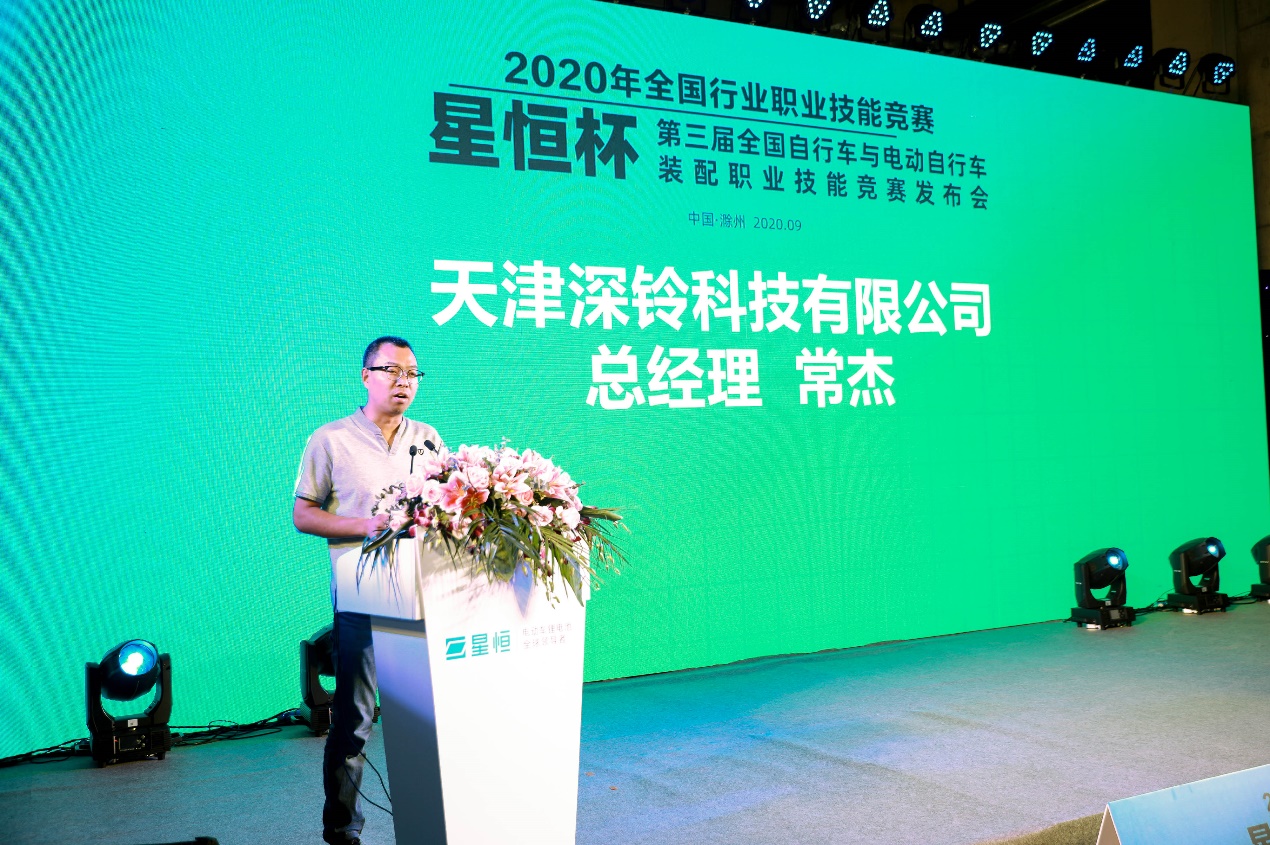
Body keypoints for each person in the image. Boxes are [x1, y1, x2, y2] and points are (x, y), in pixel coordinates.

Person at [292, 335, 442, 845]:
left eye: (412, 374)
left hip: (421, 596)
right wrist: (366, 525)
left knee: (423, 718)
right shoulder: (331, 439)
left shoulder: (428, 439)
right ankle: (343, 831)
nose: (404, 382)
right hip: (361, 597)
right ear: (366, 376)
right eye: (392, 371)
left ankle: (430, 824)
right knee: (355, 718)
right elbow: (303, 514)